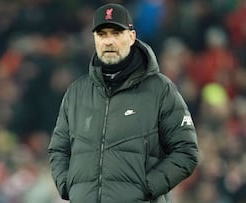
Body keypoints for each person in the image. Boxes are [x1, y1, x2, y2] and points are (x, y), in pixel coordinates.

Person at [48, 3, 199, 203]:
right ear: (94, 39)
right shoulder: (76, 93)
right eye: (102, 34)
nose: (108, 41)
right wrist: (68, 187)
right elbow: (58, 149)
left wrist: (146, 188)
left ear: (131, 37)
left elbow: (186, 151)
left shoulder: (160, 89)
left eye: (116, 33)